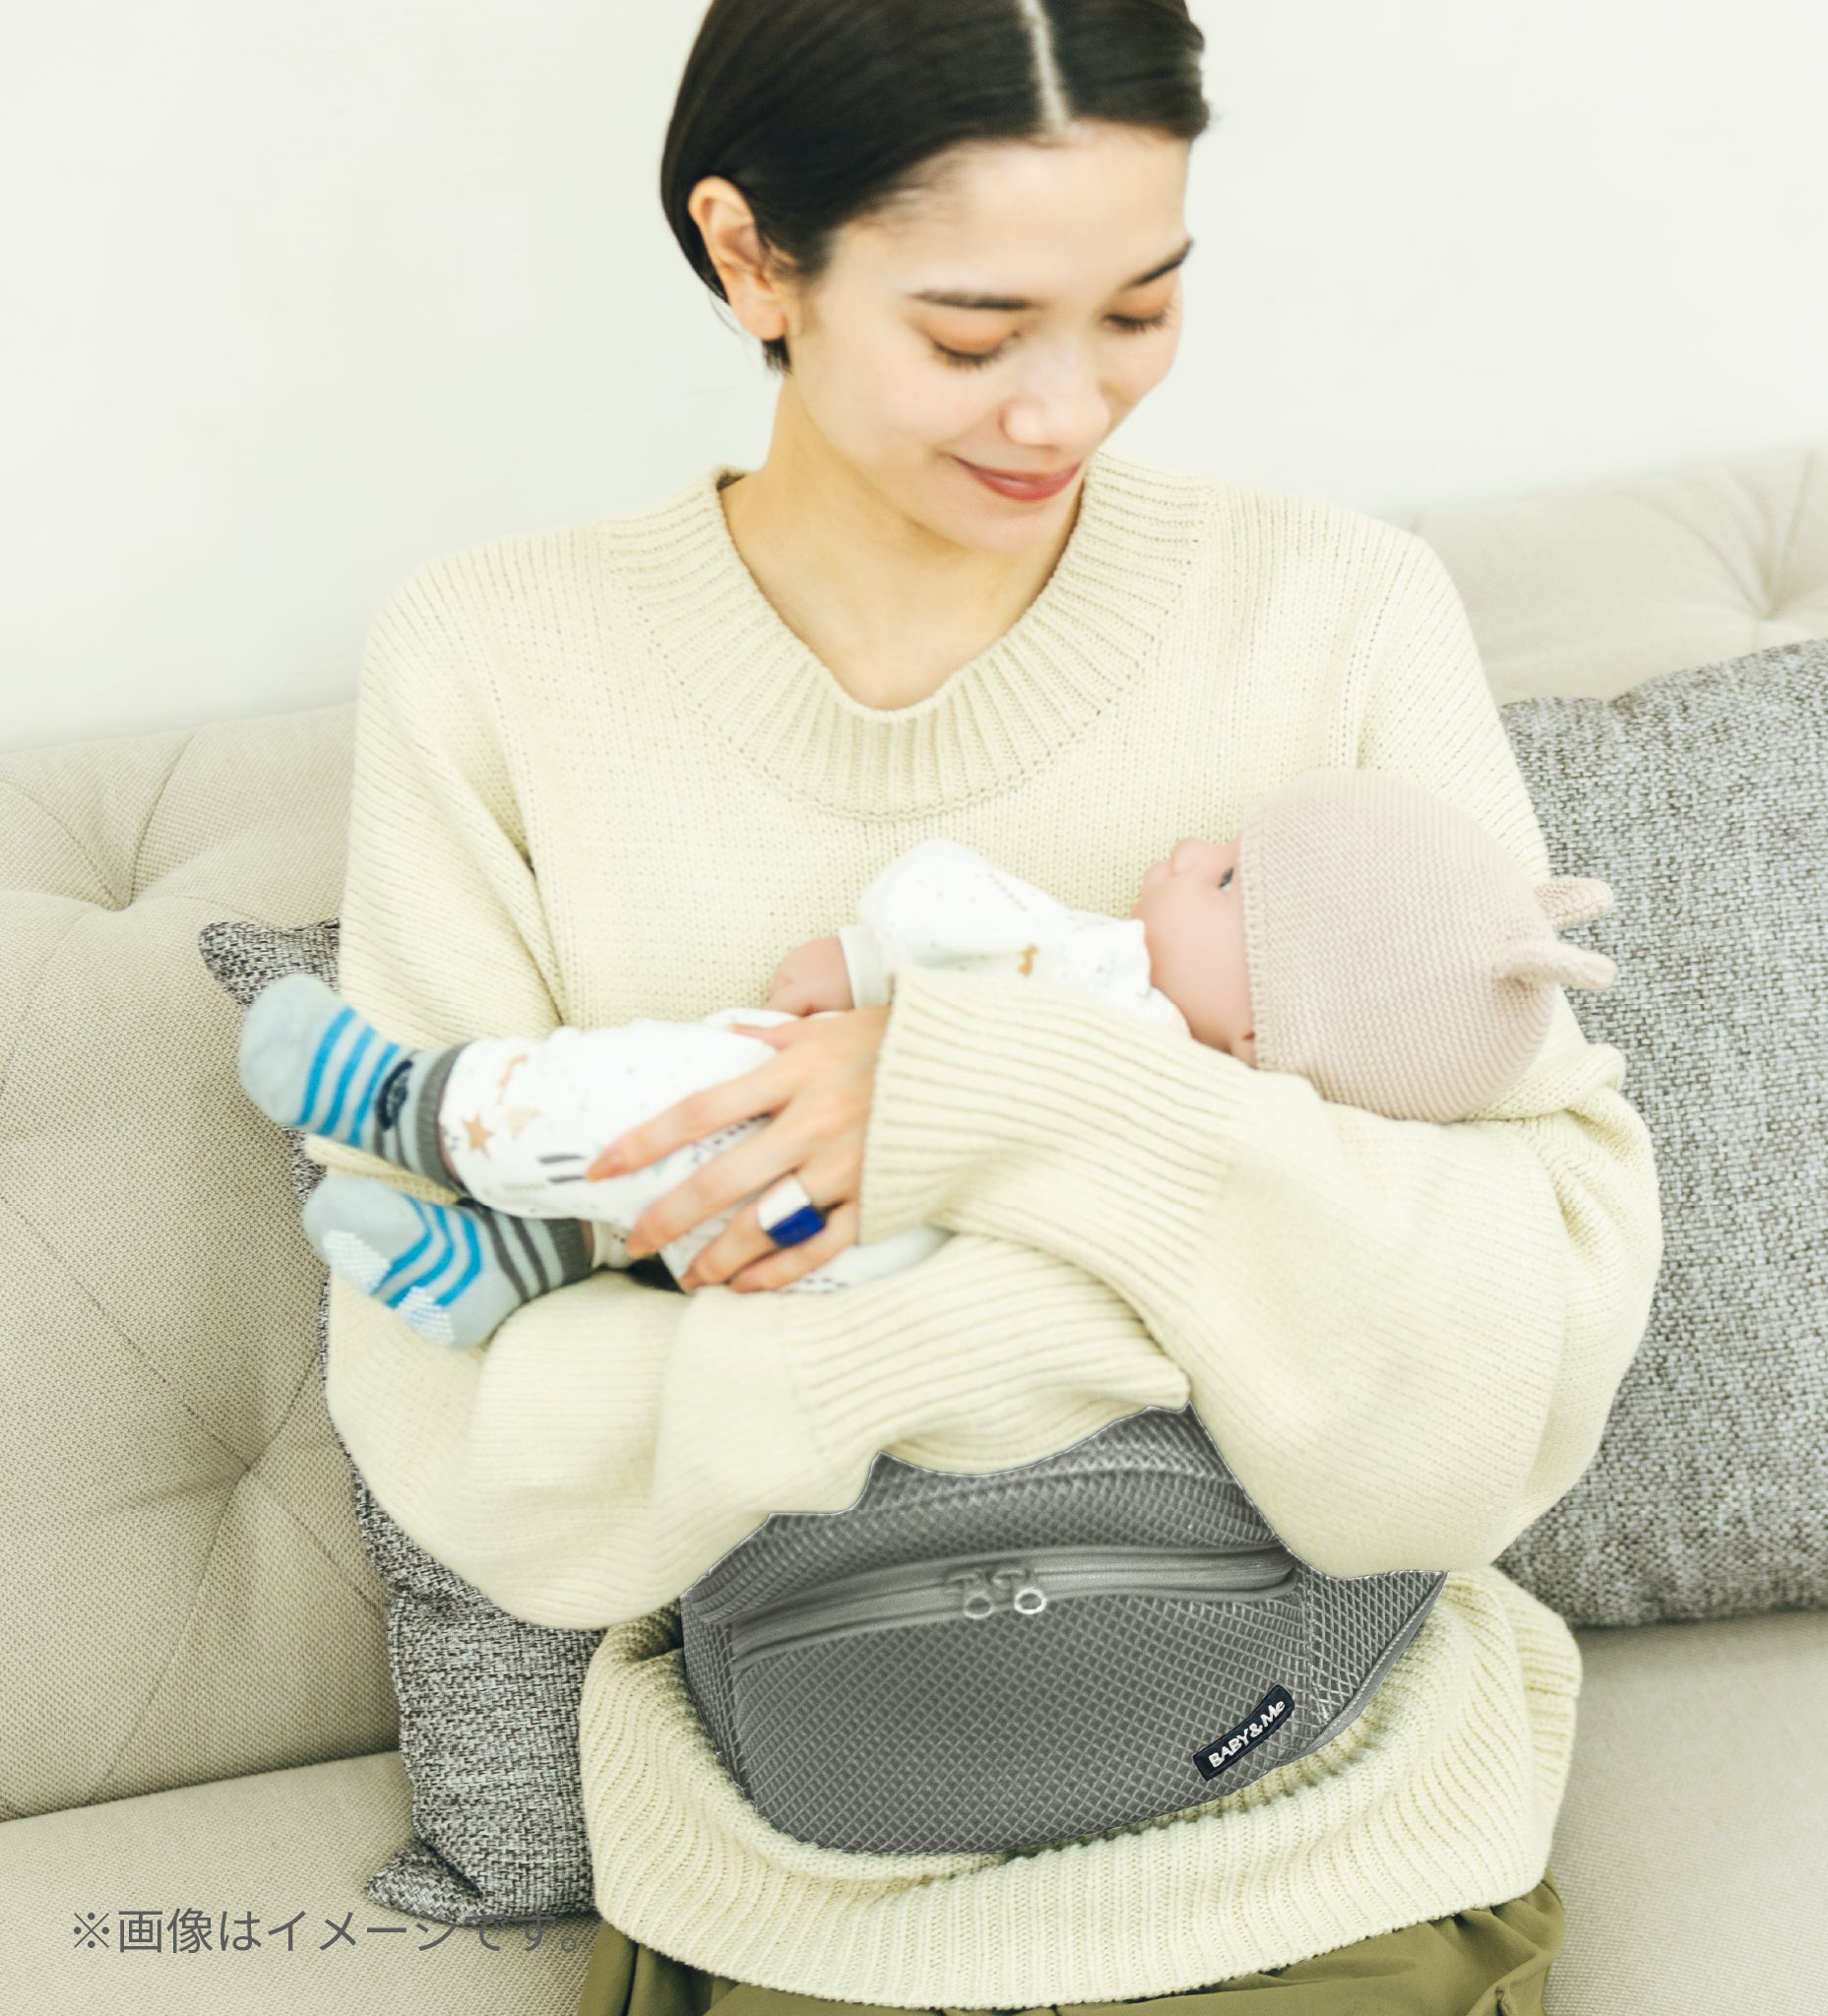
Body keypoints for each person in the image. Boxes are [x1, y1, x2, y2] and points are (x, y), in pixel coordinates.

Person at [304, 0, 1665, 2009]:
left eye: (1140, 310)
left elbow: (1509, 1354)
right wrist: (1038, 1325)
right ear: (750, 255)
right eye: (971, 333)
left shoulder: (1337, 611)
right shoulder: (493, 672)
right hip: (797, 1886)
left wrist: (985, 1105)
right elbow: (467, 1432)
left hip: (1324, 1847)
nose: (1062, 408)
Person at [244, 773, 1619, 1348]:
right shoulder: (1220, 1123)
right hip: (838, 1260)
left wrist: (868, 962)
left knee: (668, 1090)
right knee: (683, 1183)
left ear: (1267, 1033)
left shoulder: (1112, 989)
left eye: (1228, 876)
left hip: (841, 1234)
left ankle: (410, 1104)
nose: (1193, 847)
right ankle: (515, 1265)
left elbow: (948, 909)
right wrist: (862, 987)